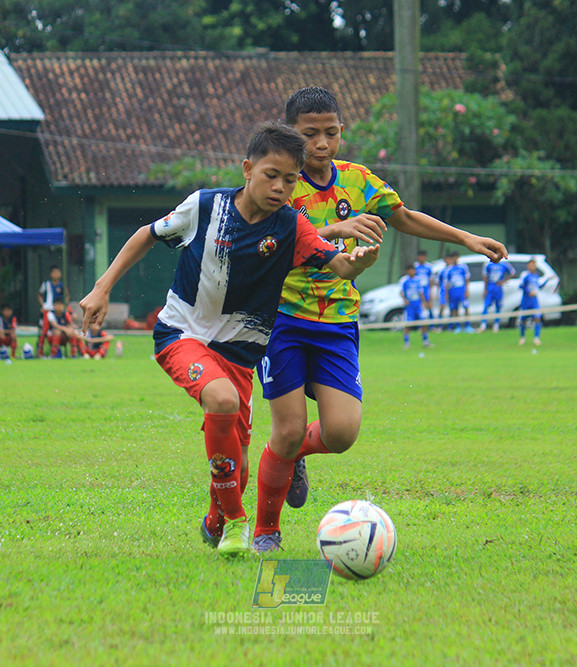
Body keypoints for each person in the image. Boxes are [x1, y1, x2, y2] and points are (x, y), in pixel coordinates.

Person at [78, 122, 380, 558]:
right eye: (270, 175)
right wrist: (102, 287)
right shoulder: (205, 206)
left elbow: (341, 268)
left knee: (233, 465)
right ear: (247, 169)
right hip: (182, 335)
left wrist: (359, 262)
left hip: (240, 357)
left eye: (290, 180)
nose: (279, 187)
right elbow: (147, 234)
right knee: (220, 400)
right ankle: (239, 523)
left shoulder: (293, 227)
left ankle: (217, 519)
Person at [252, 87, 507, 553]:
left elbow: (404, 216)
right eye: (311, 135)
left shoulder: (358, 180)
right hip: (282, 317)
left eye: (331, 133)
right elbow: (272, 238)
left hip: (337, 320)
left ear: (341, 131)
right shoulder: (279, 182)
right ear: (292, 134)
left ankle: (292, 458)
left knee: (342, 433)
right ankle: (266, 531)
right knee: (286, 430)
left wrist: (466, 238)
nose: (322, 144)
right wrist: (336, 230)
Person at [439, 251, 473, 332]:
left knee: (466, 307)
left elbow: (467, 279)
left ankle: (468, 326)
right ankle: (458, 326)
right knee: (455, 309)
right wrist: (446, 294)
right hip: (453, 291)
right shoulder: (448, 270)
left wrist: (466, 290)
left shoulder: (463, 267)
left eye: (455, 257)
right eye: (452, 257)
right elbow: (446, 283)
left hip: (461, 290)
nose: (454, 259)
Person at [478, 258, 516, 333]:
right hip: (490, 287)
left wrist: (503, 281)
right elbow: (485, 277)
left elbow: (513, 273)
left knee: (498, 306)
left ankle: (496, 325)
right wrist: (485, 289)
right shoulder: (488, 264)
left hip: (498, 287)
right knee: (486, 305)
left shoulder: (504, 264)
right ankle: (483, 324)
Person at [38, 266, 69, 352]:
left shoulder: (62, 285)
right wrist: (43, 305)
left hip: (58, 310)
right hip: (48, 309)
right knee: (44, 330)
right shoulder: (46, 284)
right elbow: (39, 294)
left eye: (57, 272)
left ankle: (57, 350)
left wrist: (63, 306)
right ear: (51, 274)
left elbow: (67, 295)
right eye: (54, 272)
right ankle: (40, 351)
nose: (56, 274)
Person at [518, 258, 546, 346]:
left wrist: (548, 280)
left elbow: (539, 287)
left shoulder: (536, 276)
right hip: (526, 301)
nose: (532, 267)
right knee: (523, 320)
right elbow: (521, 286)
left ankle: (536, 338)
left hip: (534, 301)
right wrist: (529, 292)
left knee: (537, 318)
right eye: (530, 265)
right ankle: (522, 338)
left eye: (533, 265)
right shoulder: (525, 275)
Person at [400, 264, 430, 349]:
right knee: (407, 324)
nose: (412, 272)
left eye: (413, 270)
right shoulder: (404, 280)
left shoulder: (418, 280)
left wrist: (424, 302)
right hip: (409, 306)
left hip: (418, 305)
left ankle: (426, 340)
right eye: (410, 270)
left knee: (423, 322)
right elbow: (401, 291)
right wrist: (405, 300)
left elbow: (421, 292)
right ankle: (406, 343)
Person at [413, 249, 435, 325]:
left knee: (429, 306)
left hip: (426, 289)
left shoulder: (429, 267)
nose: (421, 258)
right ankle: (420, 326)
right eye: (420, 256)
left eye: (423, 256)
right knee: (420, 307)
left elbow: (431, 280)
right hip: (417, 290)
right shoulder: (415, 266)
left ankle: (432, 325)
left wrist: (430, 291)